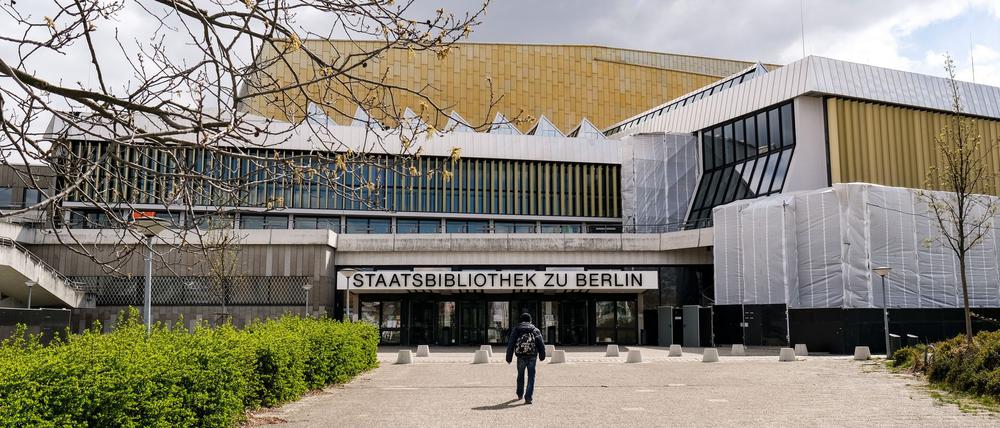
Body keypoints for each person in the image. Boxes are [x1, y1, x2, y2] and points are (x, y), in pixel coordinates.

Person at [505, 312, 545, 404]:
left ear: (521, 320)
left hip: (521, 356)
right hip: (532, 355)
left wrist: (509, 358)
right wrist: (542, 356)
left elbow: (511, 344)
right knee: (531, 376)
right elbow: (541, 343)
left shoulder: (516, 329)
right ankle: (528, 397)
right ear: (530, 320)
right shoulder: (535, 330)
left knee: (520, 375)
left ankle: (520, 394)